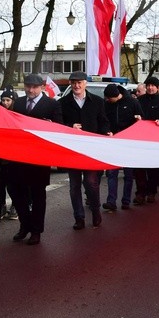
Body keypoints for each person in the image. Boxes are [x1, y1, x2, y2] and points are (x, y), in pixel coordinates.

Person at [7, 73, 63, 245]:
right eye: (28, 86)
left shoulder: (52, 104)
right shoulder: (19, 102)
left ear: (42, 87)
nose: (30, 90)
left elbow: (59, 127)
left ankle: (36, 230)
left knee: (38, 195)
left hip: (40, 156)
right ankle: (25, 224)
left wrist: (49, 125)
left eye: (34, 87)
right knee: (16, 191)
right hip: (20, 156)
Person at [60, 71, 109, 229]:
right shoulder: (63, 102)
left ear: (85, 83)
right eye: (73, 82)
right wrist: (70, 127)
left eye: (80, 82)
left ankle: (95, 211)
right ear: (70, 84)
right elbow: (58, 124)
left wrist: (107, 132)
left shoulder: (97, 101)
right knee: (74, 186)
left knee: (91, 183)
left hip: (91, 149)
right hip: (72, 150)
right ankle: (79, 218)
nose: (76, 85)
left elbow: (104, 122)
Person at [134, 76, 159, 204]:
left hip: (155, 140)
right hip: (140, 140)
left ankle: (152, 192)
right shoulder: (139, 100)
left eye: (153, 86)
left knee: (153, 169)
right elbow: (132, 115)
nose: (150, 88)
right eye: (148, 85)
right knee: (139, 169)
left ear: (157, 88)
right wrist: (136, 118)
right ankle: (140, 193)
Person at [103, 83, 143, 210]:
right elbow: (104, 120)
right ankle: (111, 201)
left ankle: (126, 200)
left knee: (128, 174)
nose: (107, 101)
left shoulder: (132, 102)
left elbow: (141, 119)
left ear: (116, 96)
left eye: (109, 99)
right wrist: (107, 131)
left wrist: (138, 121)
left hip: (128, 143)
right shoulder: (107, 104)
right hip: (113, 142)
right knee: (111, 173)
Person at [0, 87, 17, 220]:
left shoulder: (17, 114)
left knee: (13, 184)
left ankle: (15, 206)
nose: (5, 103)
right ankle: (1, 206)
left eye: (8, 100)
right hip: (0, 154)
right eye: (3, 100)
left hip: (13, 155)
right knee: (0, 184)